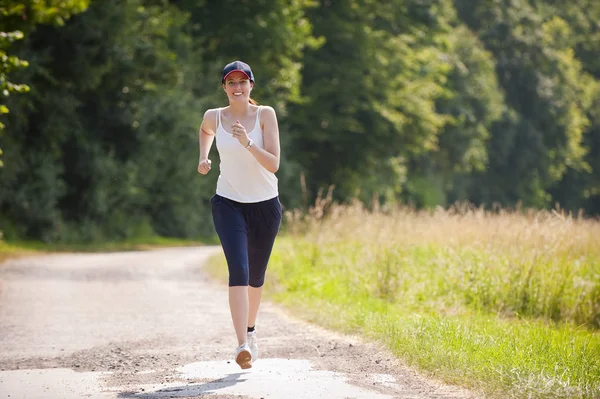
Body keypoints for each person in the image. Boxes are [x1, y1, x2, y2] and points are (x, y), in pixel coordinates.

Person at [197, 60, 282, 370]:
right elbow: (205, 131)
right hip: (228, 203)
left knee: (256, 277)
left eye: (242, 82)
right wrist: (204, 157)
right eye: (231, 83)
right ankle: (241, 345)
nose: (237, 87)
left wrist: (246, 142)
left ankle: (250, 330)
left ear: (251, 86)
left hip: (265, 205)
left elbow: (273, 164)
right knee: (239, 270)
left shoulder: (265, 115)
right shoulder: (214, 116)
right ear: (224, 87)